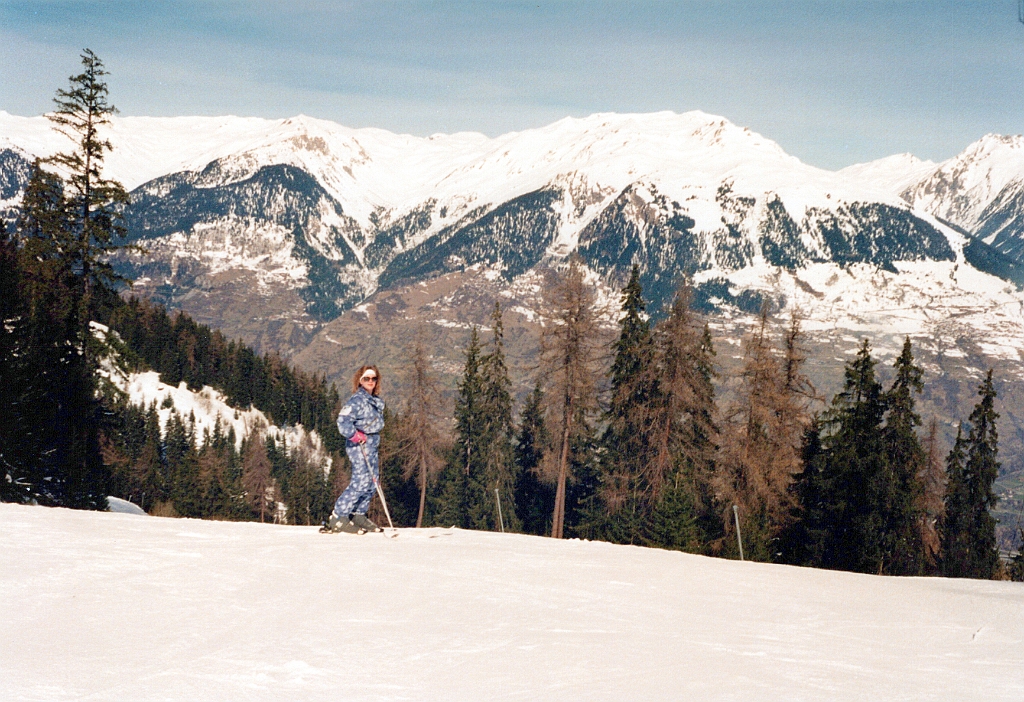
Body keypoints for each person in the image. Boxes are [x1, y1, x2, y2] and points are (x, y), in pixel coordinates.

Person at [325, 365, 385, 534]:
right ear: (360, 380)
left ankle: (357, 513)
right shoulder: (356, 401)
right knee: (361, 480)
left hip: (372, 443)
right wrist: (353, 435)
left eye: (373, 378)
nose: (370, 382)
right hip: (359, 445)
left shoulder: (374, 400)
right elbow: (342, 421)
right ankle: (339, 515)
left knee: (373, 481)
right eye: (366, 378)